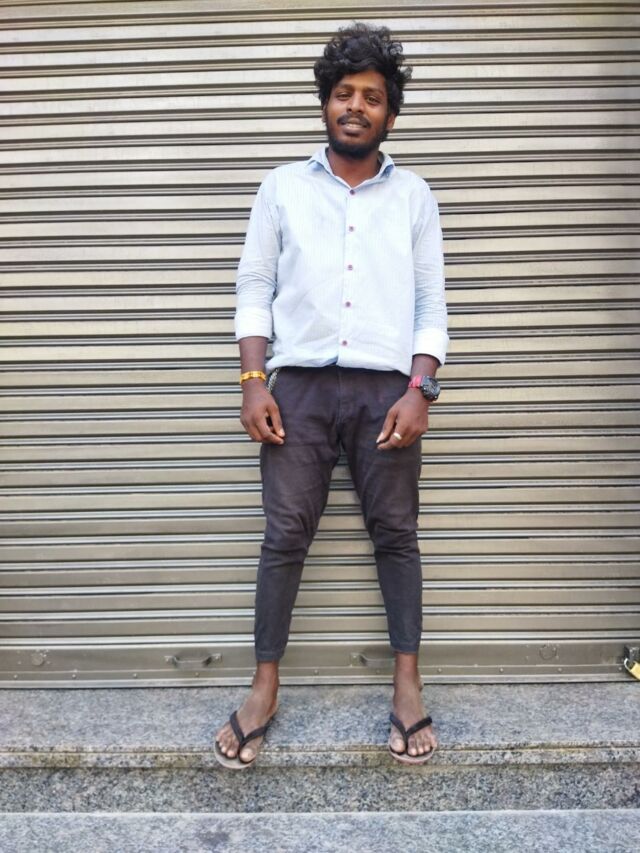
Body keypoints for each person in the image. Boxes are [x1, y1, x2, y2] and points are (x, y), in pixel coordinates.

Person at [214, 22, 448, 770]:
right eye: (344, 93)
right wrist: (253, 380)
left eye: (372, 97)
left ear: (390, 114)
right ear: (325, 103)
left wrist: (421, 390)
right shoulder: (281, 188)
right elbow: (254, 286)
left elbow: (431, 304)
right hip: (301, 389)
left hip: (387, 392)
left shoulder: (413, 196)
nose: (356, 107)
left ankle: (407, 685)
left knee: (397, 534)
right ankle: (264, 687)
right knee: (284, 535)